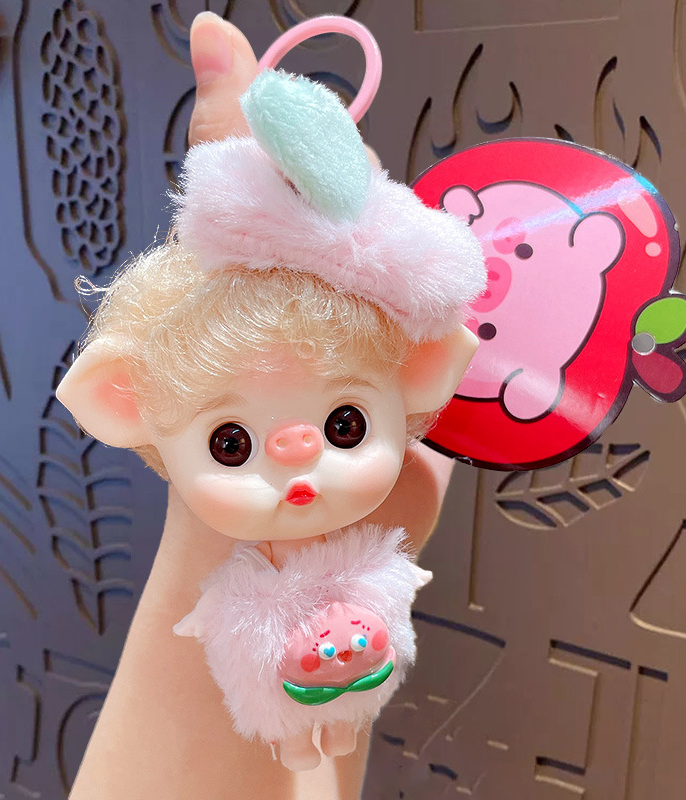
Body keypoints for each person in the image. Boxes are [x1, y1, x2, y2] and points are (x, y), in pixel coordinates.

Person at [67, 12, 456, 799]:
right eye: (232, 443)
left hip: (351, 635)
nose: (296, 452)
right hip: (271, 649)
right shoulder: (243, 596)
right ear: (123, 401)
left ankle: (326, 727)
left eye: (344, 425)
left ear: (424, 372)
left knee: (340, 706)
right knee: (273, 701)